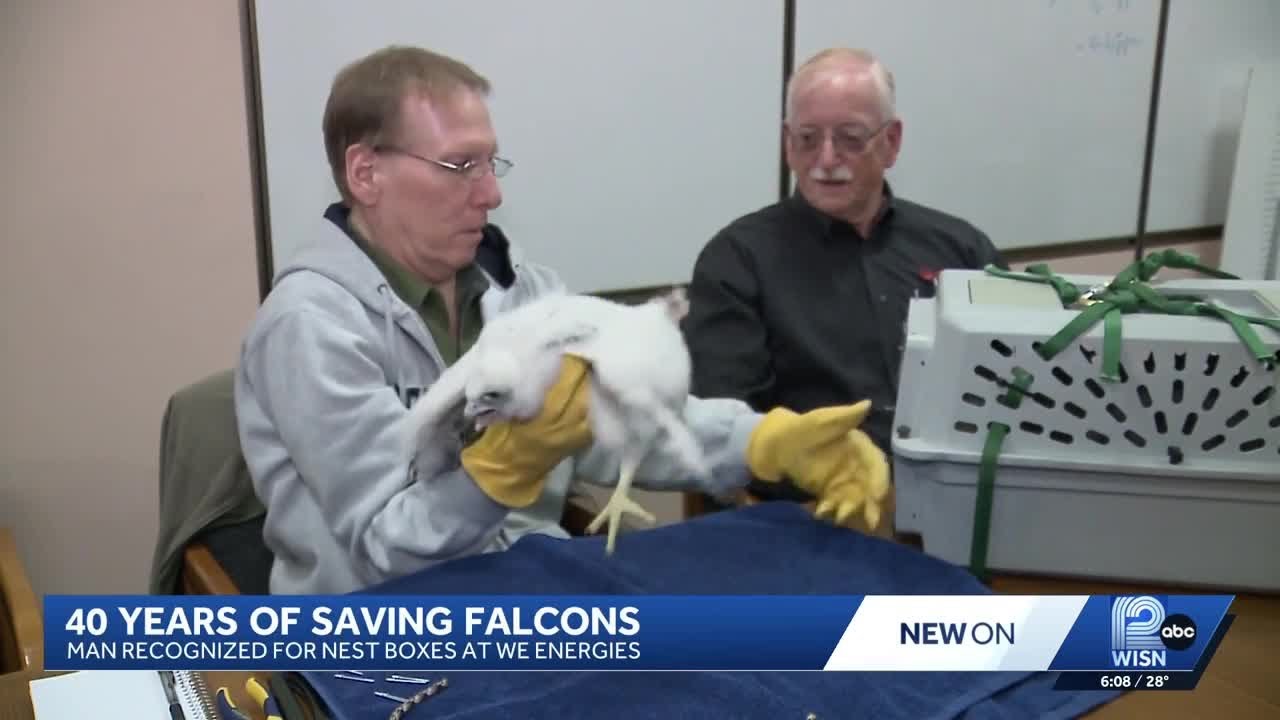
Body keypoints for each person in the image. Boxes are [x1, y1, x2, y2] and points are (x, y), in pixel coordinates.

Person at [234, 45, 888, 595]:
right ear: (365, 172)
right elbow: (387, 547)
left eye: (491, 163)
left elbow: (622, 419)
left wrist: (767, 442)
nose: (491, 194)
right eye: (462, 165)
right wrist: (503, 467)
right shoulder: (311, 328)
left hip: (533, 597)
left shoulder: (523, 293)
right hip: (384, 641)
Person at [681, 48, 1006, 506]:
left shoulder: (959, 247)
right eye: (808, 139)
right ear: (787, 144)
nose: (826, 159)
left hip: (958, 497)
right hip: (812, 509)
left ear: (892, 142)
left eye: (850, 138)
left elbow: (1013, 380)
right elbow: (725, 424)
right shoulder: (738, 259)